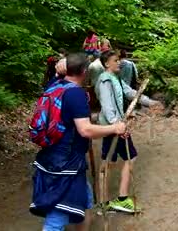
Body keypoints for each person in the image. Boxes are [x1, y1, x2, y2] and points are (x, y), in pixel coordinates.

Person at [30, 53, 127, 231]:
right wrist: (115, 128)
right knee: (56, 218)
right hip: (66, 164)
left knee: (86, 204)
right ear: (84, 71)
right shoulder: (75, 94)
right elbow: (86, 129)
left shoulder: (55, 85)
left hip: (50, 157)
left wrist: (59, 71)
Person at [96, 50, 162, 213]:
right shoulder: (105, 80)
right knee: (125, 159)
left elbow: (130, 92)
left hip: (116, 126)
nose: (119, 63)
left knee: (111, 161)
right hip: (114, 127)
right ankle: (119, 200)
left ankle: (107, 202)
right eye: (116, 60)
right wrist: (117, 126)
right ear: (107, 64)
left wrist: (149, 102)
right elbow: (107, 106)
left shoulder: (115, 78)